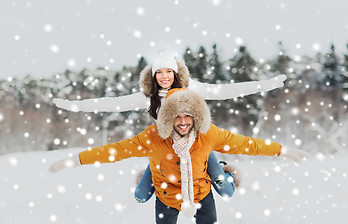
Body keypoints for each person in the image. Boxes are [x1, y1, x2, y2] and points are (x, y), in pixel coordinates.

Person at [49, 88, 310, 224]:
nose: (183, 122)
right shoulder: (153, 138)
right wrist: (75, 160)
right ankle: (150, 174)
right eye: (177, 117)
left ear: (196, 117)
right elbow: (115, 151)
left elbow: (248, 144)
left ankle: (221, 171)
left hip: (202, 195)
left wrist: (284, 151)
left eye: (188, 116)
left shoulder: (210, 135)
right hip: (166, 196)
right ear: (167, 119)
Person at [53, 49, 287, 204]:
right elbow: (113, 104)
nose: (164, 76)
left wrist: (264, 85)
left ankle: (221, 168)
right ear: (153, 75)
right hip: (165, 151)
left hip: (197, 148)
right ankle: (159, 176)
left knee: (226, 191)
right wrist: (77, 107)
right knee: (140, 196)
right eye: (159, 72)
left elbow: (226, 91)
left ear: (175, 72)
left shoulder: (192, 89)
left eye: (168, 71)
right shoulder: (148, 96)